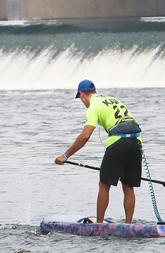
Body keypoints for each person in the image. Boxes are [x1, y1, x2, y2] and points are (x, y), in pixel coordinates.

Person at [54, 80, 142, 224]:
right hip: (137, 140)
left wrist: (65, 156)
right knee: (128, 185)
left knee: (104, 184)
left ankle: (99, 225)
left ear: (81, 95)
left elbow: (85, 136)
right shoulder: (112, 99)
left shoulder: (93, 107)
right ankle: (128, 226)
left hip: (119, 140)